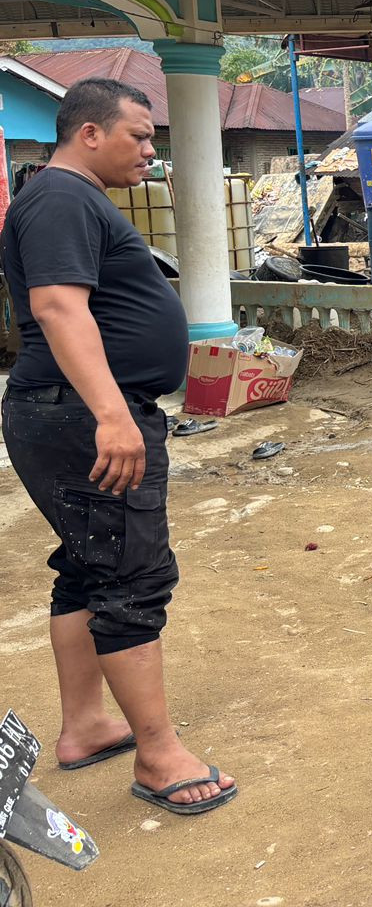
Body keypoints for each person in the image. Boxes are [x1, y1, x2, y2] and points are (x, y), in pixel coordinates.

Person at [0, 78, 236, 814]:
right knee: (131, 576)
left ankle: (86, 725)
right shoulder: (63, 198)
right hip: (81, 414)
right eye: (137, 134)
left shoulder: (64, 197)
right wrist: (112, 413)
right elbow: (58, 305)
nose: (149, 149)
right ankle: (161, 756)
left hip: (66, 410)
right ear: (89, 133)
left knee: (86, 565)